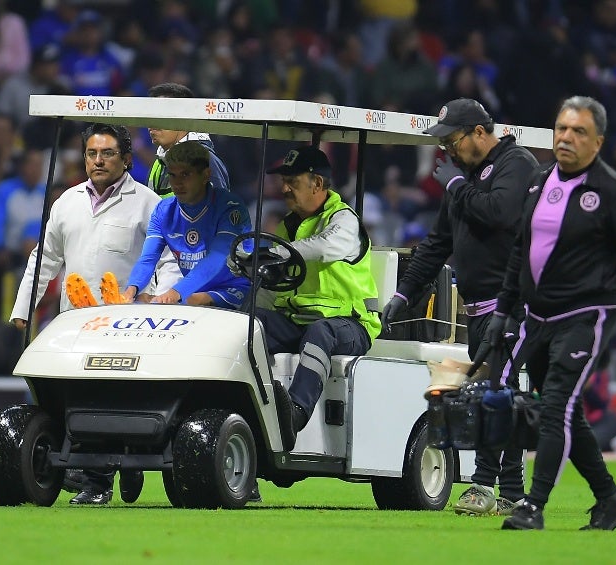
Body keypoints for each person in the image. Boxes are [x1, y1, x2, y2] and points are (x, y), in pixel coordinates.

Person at [486, 96, 616, 531]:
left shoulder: (611, 190)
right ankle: (610, 499)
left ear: (598, 143)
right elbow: (521, 250)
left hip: (585, 315)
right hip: (537, 317)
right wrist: (503, 310)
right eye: (561, 129)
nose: (566, 138)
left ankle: (532, 507)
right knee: (565, 411)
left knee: (554, 408)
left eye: (578, 132)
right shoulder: (539, 181)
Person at [382, 98, 539, 517]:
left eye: (452, 140)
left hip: (514, 302)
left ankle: (482, 486)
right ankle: (512, 491)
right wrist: (404, 293)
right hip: (480, 308)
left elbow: (500, 213)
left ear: (480, 132)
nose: (447, 150)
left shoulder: (516, 162)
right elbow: (437, 244)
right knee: (503, 390)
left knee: (494, 390)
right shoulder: (466, 178)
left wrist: (455, 185)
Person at [9, 123, 171, 506]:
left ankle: (115, 472)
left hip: (130, 326)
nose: (98, 161)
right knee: (81, 400)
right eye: (92, 154)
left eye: (107, 153)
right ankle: (103, 476)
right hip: (77, 324)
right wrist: (23, 308)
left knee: (119, 403)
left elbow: (166, 259)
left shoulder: (150, 203)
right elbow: (45, 259)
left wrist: (163, 302)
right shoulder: (67, 202)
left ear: (127, 159)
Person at [254, 145, 381, 450]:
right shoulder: (287, 225)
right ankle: (242, 410)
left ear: (318, 184)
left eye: (292, 182)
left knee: (320, 331)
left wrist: (280, 252)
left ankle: (294, 415)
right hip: (296, 322)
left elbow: (326, 248)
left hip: (351, 325)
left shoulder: (343, 220)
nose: (284, 188)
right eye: (283, 181)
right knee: (248, 323)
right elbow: (273, 280)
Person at [122, 140, 251, 308]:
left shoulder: (230, 207)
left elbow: (217, 259)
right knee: (145, 302)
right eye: (172, 175)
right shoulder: (163, 210)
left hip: (233, 288)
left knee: (185, 302)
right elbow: (148, 259)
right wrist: (131, 290)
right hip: (191, 290)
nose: (177, 183)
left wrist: (175, 292)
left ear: (205, 175)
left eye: (185, 174)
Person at [146, 83, 230, 197]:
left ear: (184, 117)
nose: (152, 123)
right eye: (149, 116)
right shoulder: (159, 163)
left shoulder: (205, 161)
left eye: (160, 115)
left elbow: (218, 212)